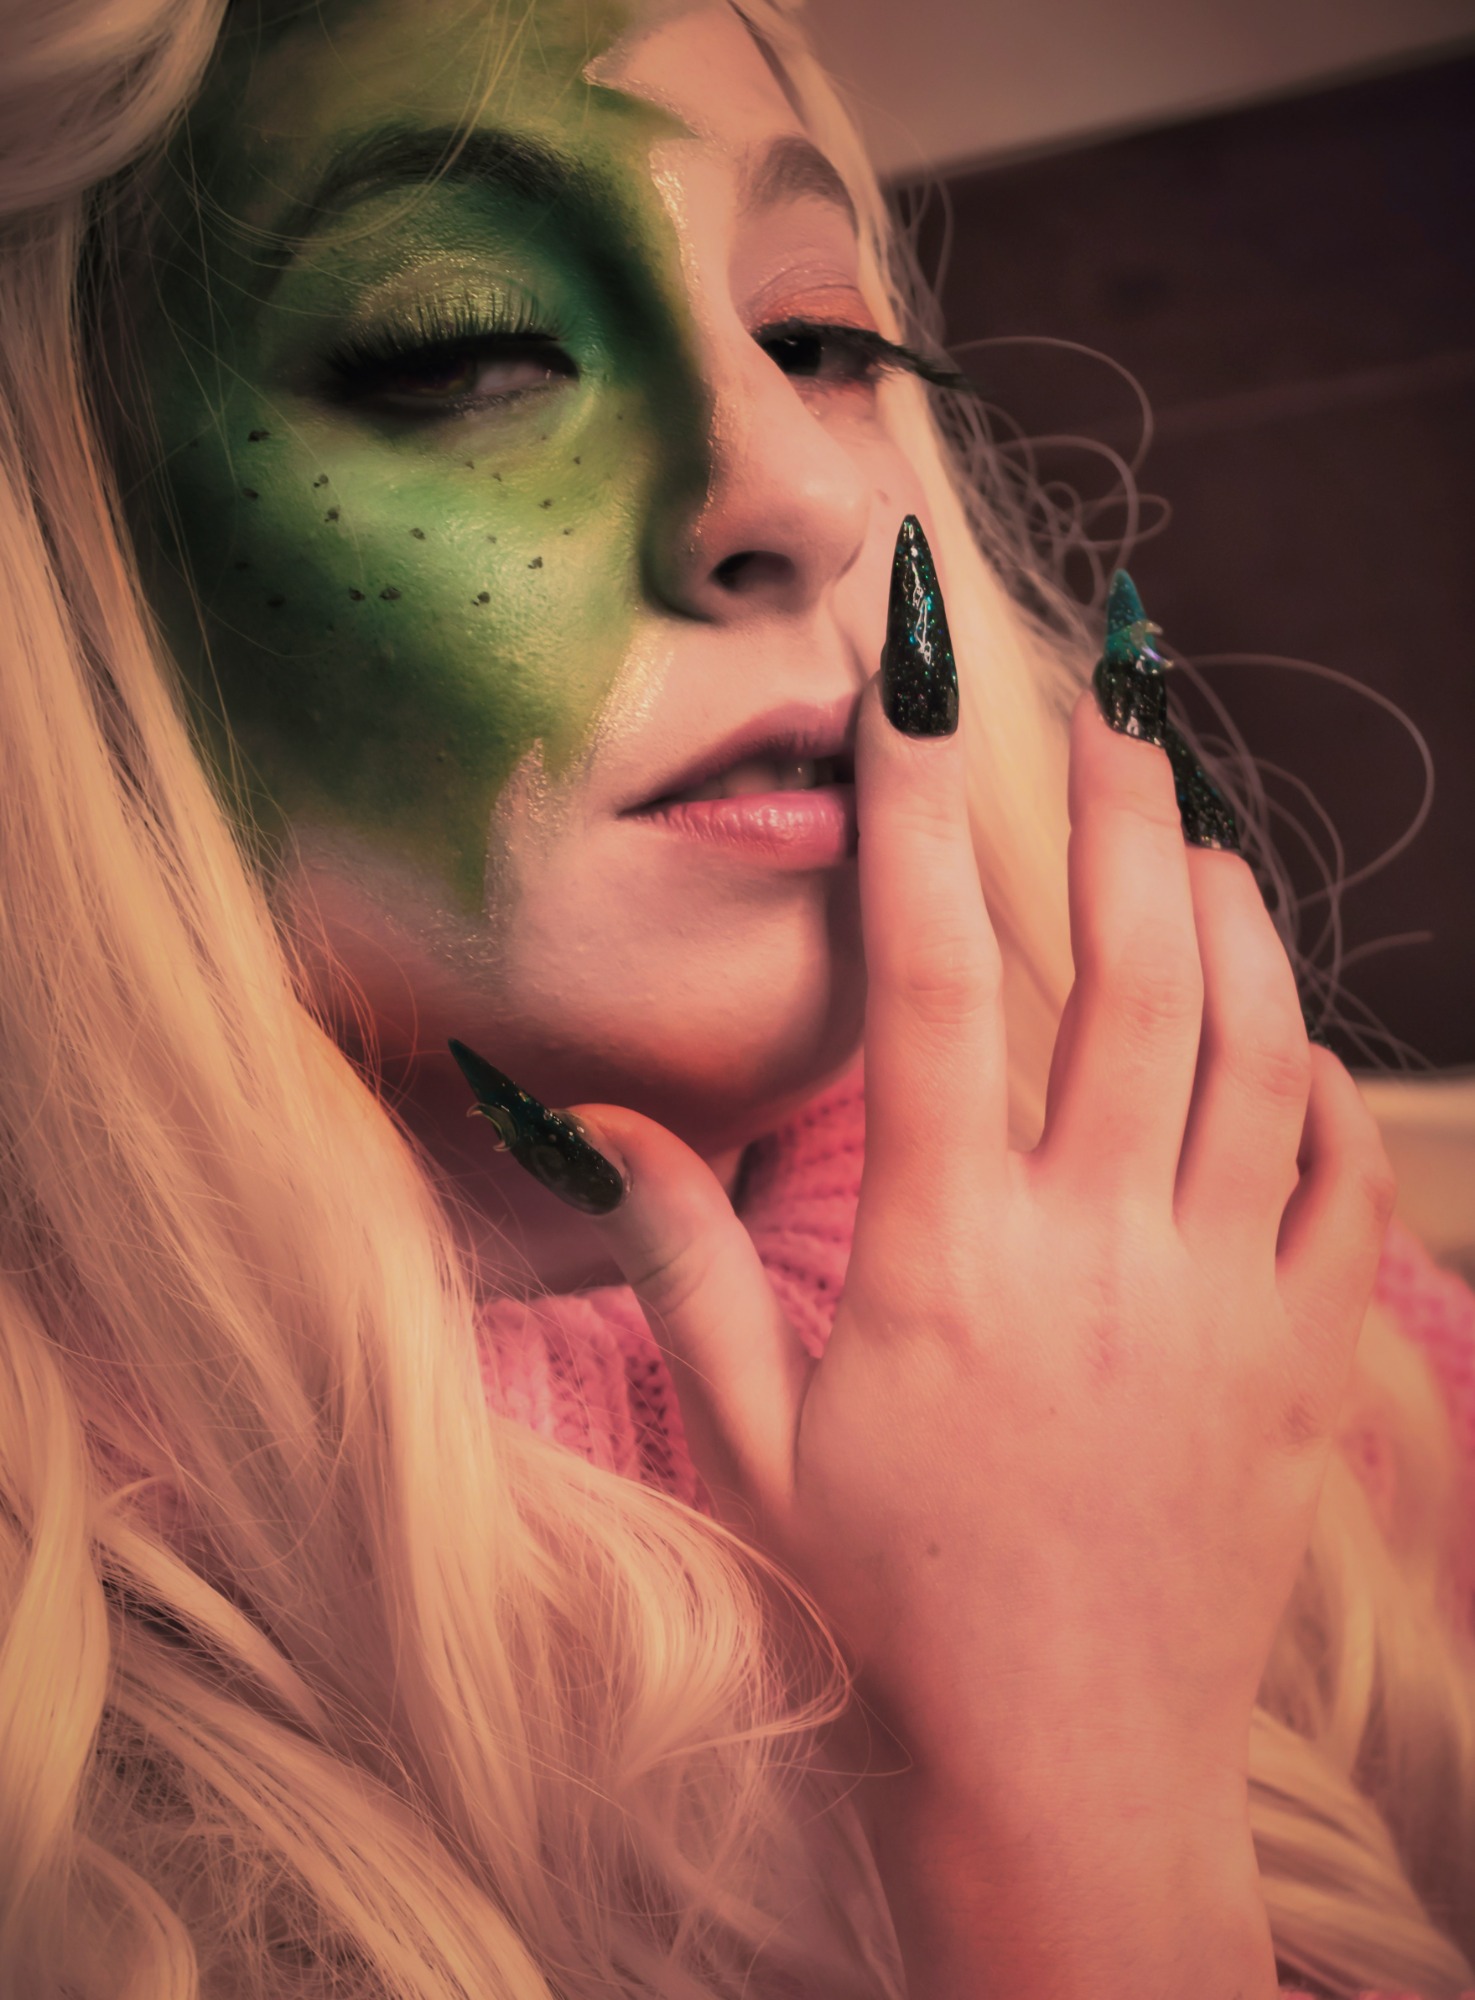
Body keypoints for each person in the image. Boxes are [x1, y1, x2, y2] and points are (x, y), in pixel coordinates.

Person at [0, 0, 1471, 1994]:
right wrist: (1071, 1827)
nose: (803, 492)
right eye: (466, 350)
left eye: (822, 342)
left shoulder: (1317, 1334)